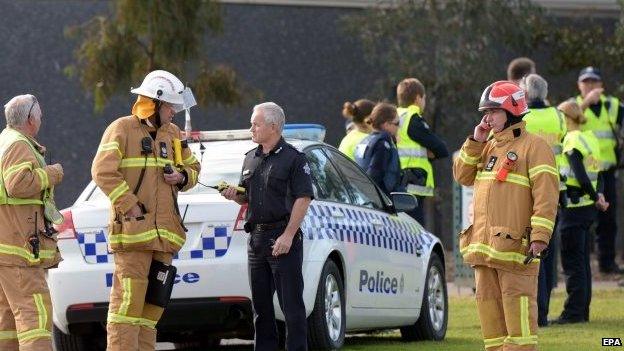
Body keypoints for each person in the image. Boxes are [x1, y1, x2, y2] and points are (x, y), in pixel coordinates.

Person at [91, 70, 200, 351]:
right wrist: (129, 205)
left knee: (150, 314)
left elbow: (194, 169)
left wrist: (182, 177)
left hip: (164, 239)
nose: (174, 112)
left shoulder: (173, 134)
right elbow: (102, 172)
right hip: (133, 236)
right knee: (126, 309)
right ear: (154, 103)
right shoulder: (122, 129)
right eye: (170, 106)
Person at [454, 81, 559, 350]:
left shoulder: (535, 147)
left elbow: (546, 197)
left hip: (516, 254)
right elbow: (462, 176)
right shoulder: (486, 145)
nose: (486, 118)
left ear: (512, 111)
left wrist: (540, 237)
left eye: (492, 111)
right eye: (484, 112)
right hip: (484, 253)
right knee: (493, 337)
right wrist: (476, 141)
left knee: (519, 335)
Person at [221, 102, 313, 351]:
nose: (251, 128)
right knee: (260, 310)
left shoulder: (294, 158)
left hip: (282, 238)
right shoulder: (250, 158)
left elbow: (303, 198)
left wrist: (288, 236)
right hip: (257, 241)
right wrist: (234, 195)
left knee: (292, 308)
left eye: (256, 123)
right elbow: (246, 196)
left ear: (273, 127)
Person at [0, 95, 63, 351]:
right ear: (29, 119)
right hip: (20, 250)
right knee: (34, 315)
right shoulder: (19, 144)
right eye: (40, 116)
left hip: (7, 248)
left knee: (7, 321)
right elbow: (18, 184)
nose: (41, 120)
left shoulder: (5, 141)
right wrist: (52, 173)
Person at [550, 101, 609, 325]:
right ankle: (582, 312)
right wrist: (599, 197)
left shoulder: (571, 139)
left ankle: (573, 313)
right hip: (588, 210)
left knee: (573, 263)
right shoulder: (591, 138)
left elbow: (580, 174)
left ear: (566, 118)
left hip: (574, 210)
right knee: (583, 262)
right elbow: (600, 175)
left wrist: (596, 197)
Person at [520, 74, 567, 327]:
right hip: (554, 191)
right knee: (547, 254)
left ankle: (533, 313)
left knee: (529, 254)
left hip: (527, 192)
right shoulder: (558, 117)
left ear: (526, 94)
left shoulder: (523, 117)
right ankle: (544, 314)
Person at [571, 66, 624, 274]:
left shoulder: (613, 105)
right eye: (586, 82)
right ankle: (580, 266)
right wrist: (584, 104)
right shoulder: (573, 105)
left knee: (608, 220)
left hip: (607, 173)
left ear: (601, 85)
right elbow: (564, 124)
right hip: (580, 173)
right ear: (579, 85)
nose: (590, 86)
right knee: (580, 220)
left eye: (594, 82)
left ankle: (607, 264)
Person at [396, 78, 449, 225]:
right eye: (424, 98)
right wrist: (427, 152)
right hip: (413, 181)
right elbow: (440, 149)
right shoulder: (413, 119)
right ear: (418, 98)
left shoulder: (394, 116)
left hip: (397, 180)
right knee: (415, 229)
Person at [354, 103, 405, 196]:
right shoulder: (382, 145)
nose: (399, 127)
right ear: (386, 125)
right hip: (379, 204)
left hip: (361, 198)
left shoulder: (365, 141)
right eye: (397, 123)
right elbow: (374, 177)